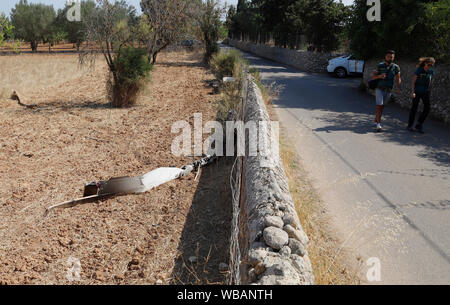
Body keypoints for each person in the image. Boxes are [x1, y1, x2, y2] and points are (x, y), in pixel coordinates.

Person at [372, 50, 402, 132]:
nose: (390, 58)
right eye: (388, 56)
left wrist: (399, 88)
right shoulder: (380, 65)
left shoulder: (396, 67)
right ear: (385, 56)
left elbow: (398, 78)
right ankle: (378, 124)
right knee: (379, 105)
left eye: (391, 57)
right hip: (379, 88)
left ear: (394, 58)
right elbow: (373, 77)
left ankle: (376, 120)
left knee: (382, 107)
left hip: (388, 89)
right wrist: (379, 76)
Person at [407, 57, 435, 133]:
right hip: (417, 91)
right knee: (414, 108)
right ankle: (410, 125)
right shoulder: (419, 70)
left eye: (431, 65)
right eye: (429, 64)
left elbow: (431, 82)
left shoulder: (431, 71)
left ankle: (419, 124)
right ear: (425, 63)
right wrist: (413, 92)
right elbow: (413, 82)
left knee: (427, 108)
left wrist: (430, 92)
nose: (430, 66)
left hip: (425, 92)